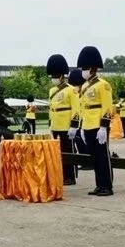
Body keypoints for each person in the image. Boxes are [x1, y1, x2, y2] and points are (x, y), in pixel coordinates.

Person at [77, 46, 114, 196]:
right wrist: (81, 127)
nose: (83, 71)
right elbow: (83, 108)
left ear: (92, 68)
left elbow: (107, 107)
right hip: (88, 125)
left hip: (99, 126)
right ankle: (99, 185)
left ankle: (107, 186)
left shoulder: (103, 85)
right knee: (94, 158)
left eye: (85, 68)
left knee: (103, 157)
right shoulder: (85, 86)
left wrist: (104, 127)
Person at [46, 54, 80, 186]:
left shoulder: (71, 90)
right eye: (52, 76)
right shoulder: (52, 91)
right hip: (55, 125)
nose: (54, 79)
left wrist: (74, 126)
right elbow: (52, 108)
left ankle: (70, 176)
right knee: (58, 153)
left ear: (62, 76)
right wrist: (50, 123)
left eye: (55, 76)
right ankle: (62, 174)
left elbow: (76, 109)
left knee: (68, 152)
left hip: (66, 126)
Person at [67, 68, 88, 158]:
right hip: (77, 122)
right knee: (77, 141)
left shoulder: (85, 94)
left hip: (85, 122)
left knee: (84, 141)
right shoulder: (73, 94)